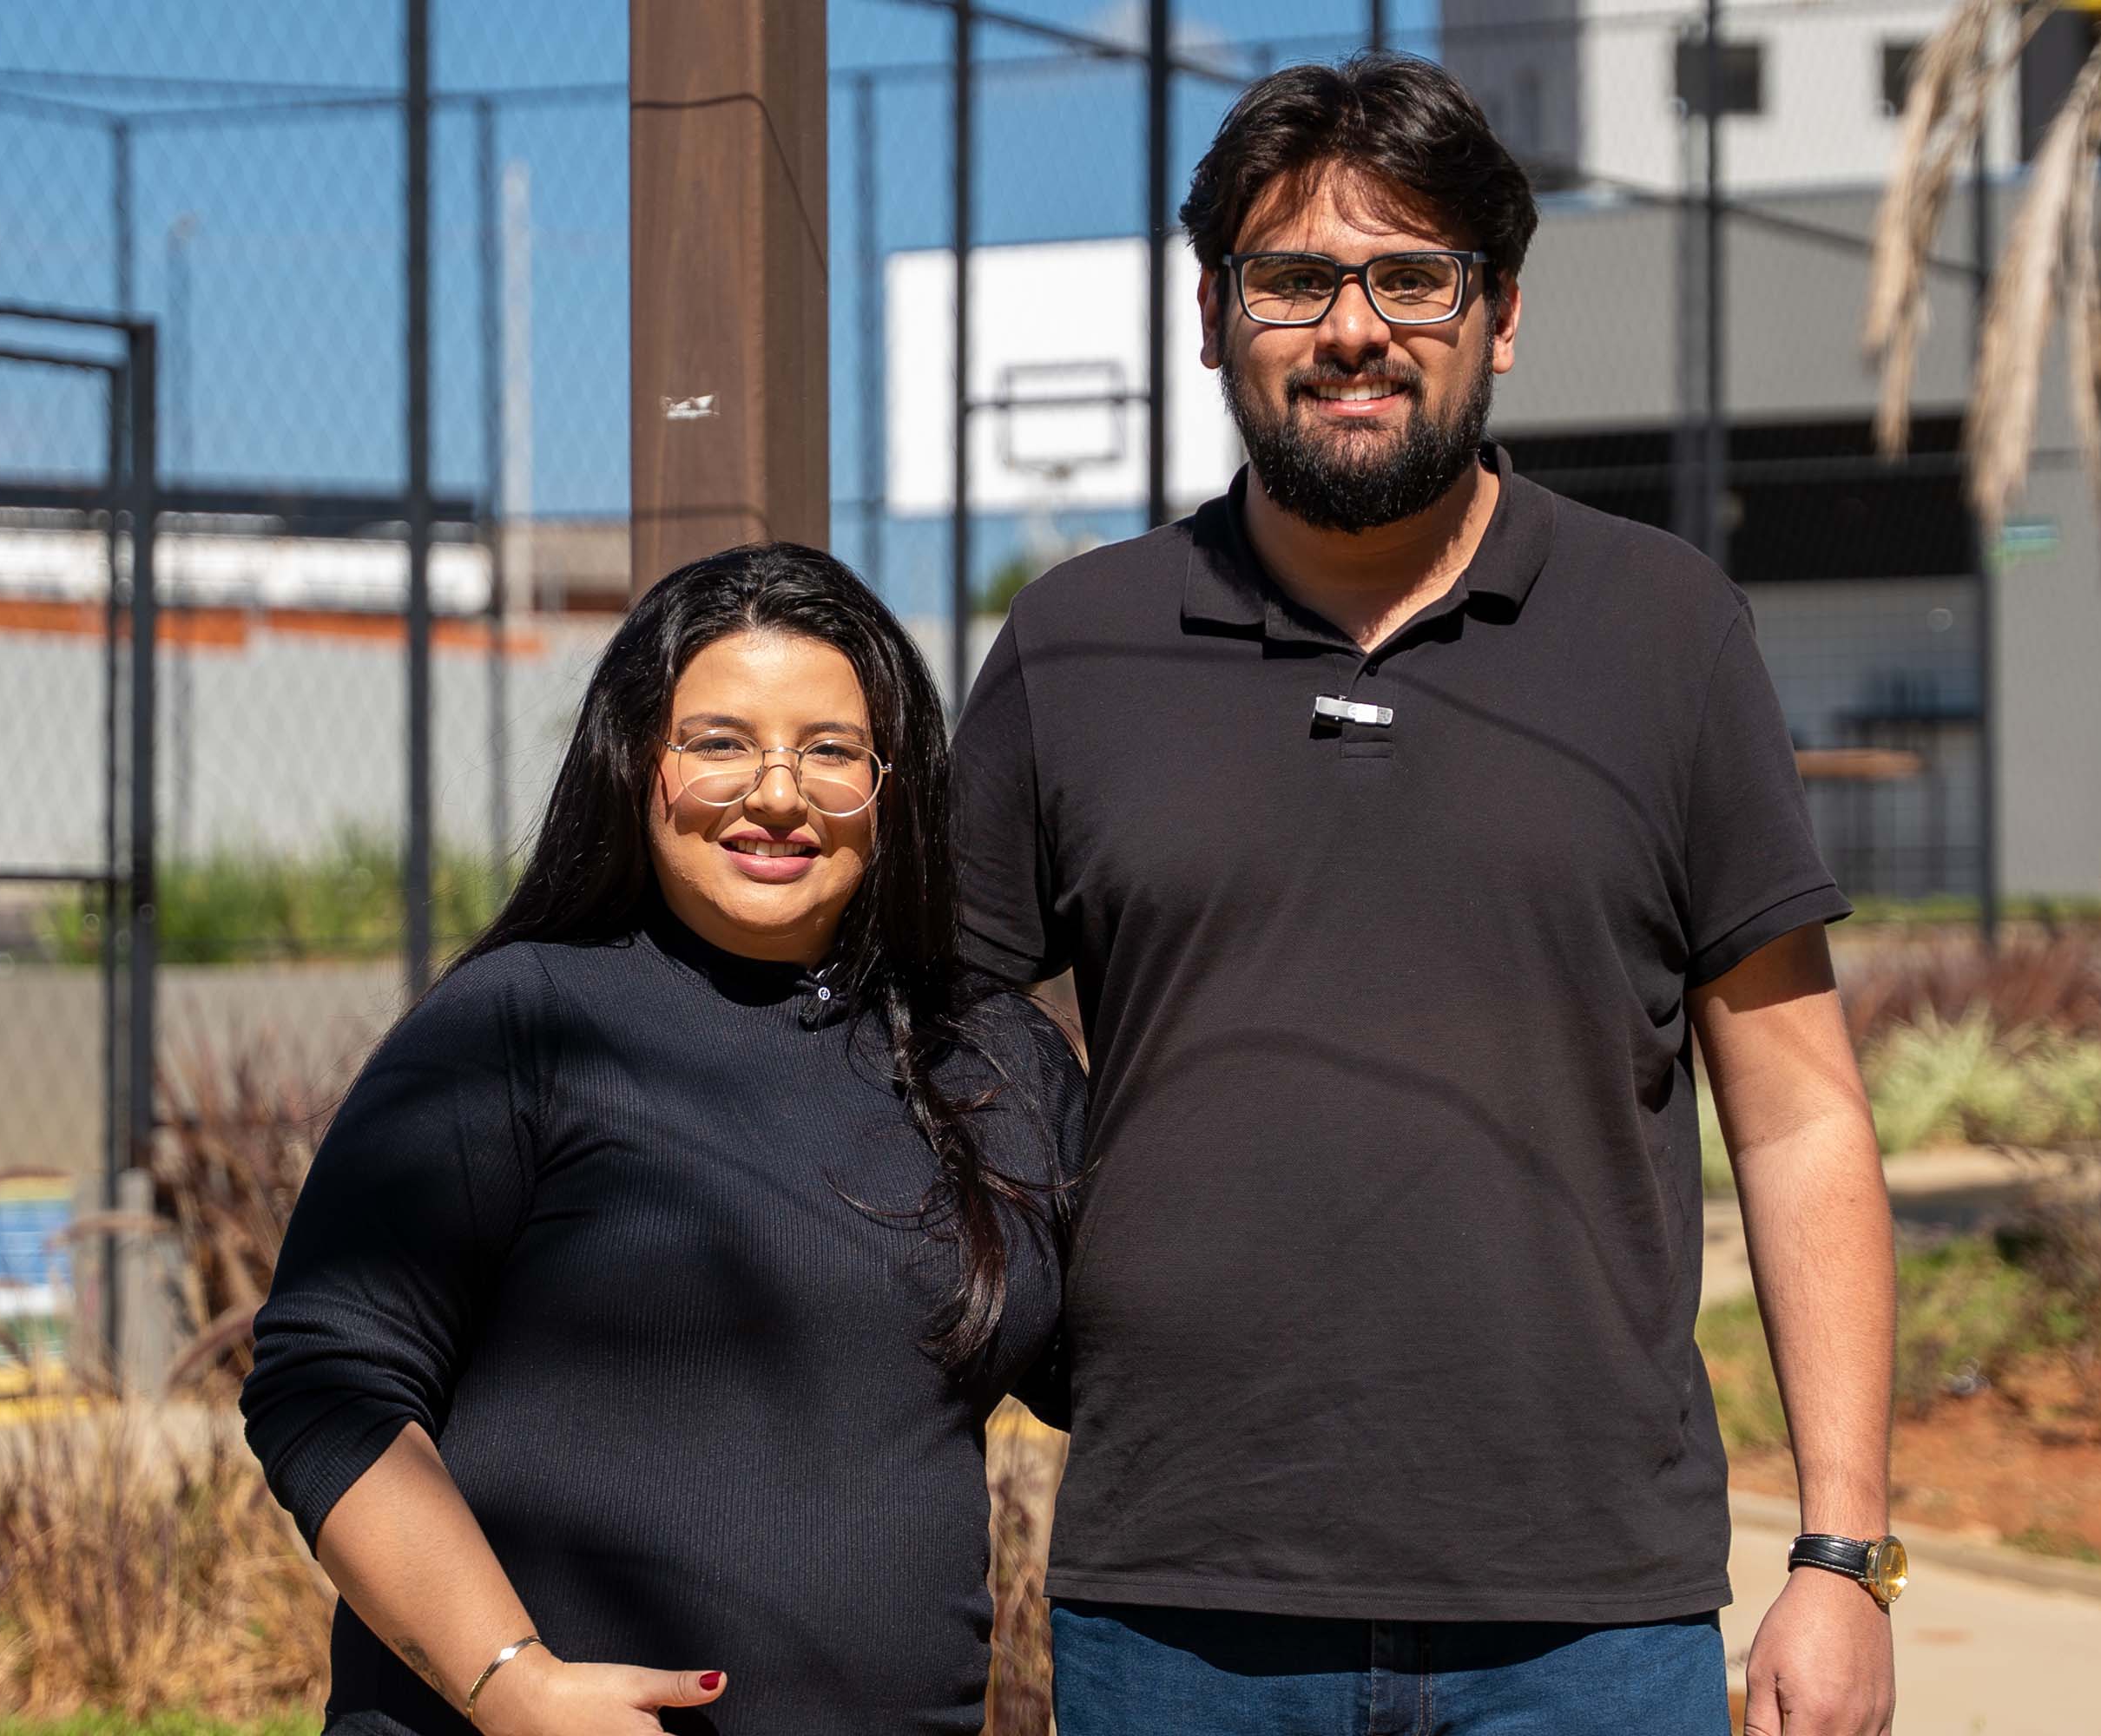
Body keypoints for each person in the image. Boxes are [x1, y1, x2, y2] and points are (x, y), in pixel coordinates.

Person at [951, 53, 1900, 1736]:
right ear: (1209, 314)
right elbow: (940, 1065)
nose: (1354, 326)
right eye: (1295, 278)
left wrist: (1842, 1553)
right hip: (1178, 1601)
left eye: (1411, 275)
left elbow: (1801, 1110)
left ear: (1501, 312)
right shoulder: (1073, 646)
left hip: (1587, 1621)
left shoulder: (1663, 631)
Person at [240, 542, 1082, 1736]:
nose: (778, 794)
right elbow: (326, 1384)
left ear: (895, 786)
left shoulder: (990, 1058)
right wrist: (514, 1684)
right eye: (721, 742)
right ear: (638, 761)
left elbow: (1125, 1363)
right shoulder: (521, 1022)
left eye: (832, 751)